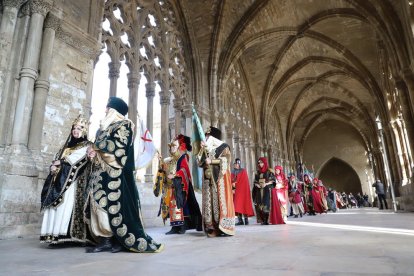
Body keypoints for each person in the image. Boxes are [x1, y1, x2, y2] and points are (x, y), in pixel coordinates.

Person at [85, 97, 163, 253]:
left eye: (108, 108)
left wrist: (97, 146)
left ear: (114, 111)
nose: (105, 110)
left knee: (111, 207)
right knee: (98, 205)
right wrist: (91, 151)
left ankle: (114, 240)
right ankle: (105, 238)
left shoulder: (125, 125)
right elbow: (98, 146)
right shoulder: (103, 128)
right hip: (99, 172)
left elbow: (120, 148)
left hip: (114, 174)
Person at [40, 116, 92, 245]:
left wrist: (61, 163)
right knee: (54, 206)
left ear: (84, 130)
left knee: (65, 206)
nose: (76, 130)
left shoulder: (87, 145)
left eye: (79, 128)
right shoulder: (65, 146)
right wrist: (52, 166)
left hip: (73, 183)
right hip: (57, 179)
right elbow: (57, 158)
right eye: (74, 128)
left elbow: (77, 160)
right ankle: (52, 235)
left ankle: (65, 235)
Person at [155, 134, 202, 234]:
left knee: (178, 207)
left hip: (178, 186)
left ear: (179, 147)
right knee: (172, 207)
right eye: (171, 146)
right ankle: (174, 227)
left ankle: (181, 227)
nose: (171, 148)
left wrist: (176, 174)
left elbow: (184, 170)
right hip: (170, 188)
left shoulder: (183, 157)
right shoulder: (169, 160)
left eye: (174, 146)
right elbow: (164, 170)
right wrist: (160, 162)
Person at [197, 126, 235, 237]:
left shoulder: (224, 147)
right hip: (208, 180)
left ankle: (223, 227)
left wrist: (212, 161)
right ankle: (211, 226)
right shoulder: (206, 149)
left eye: (208, 136)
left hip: (220, 180)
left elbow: (226, 160)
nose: (206, 138)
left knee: (219, 202)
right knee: (209, 203)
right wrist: (201, 151)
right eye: (206, 136)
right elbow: (199, 163)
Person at [252, 157, 284, 225]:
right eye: (259, 163)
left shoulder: (269, 171)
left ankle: (267, 220)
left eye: (262, 163)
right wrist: (257, 185)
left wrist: (266, 184)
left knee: (266, 205)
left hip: (267, 191)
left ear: (265, 163)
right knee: (260, 205)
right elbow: (255, 181)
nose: (260, 164)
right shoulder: (257, 172)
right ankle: (262, 220)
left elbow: (273, 181)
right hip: (259, 191)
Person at [231, 158, 255, 225]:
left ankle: (246, 220)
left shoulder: (243, 171)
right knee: (237, 205)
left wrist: (236, 182)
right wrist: (233, 187)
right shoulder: (232, 171)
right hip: (236, 191)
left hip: (243, 191)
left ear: (239, 164)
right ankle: (240, 220)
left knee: (244, 204)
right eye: (235, 164)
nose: (236, 165)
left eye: (237, 164)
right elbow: (231, 180)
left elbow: (244, 181)